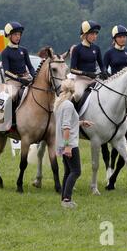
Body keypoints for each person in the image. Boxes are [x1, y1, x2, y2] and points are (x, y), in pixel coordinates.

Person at [54, 79, 93, 209]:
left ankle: (64, 198)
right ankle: (67, 199)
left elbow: (67, 122)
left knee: (68, 171)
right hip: (69, 143)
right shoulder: (69, 105)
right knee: (76, 171)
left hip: (60, 143)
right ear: (73, 91)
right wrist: (67, 146)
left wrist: (81, 123)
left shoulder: (60, 103)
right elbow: (66, 127)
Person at [0, 21, 35, 127]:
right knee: (12, 95)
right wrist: (19, 80)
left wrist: (34, 76)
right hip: (12, 80)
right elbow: (6, 71)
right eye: (15, 34)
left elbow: (30, 67)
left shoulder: (24, 50)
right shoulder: (5, 52)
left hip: (25, 77)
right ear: (9, 35)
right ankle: (9, 121)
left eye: (19, 34)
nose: (18, 37)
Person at [70, 20, 108, 102]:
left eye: (96, 34)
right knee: (77, 95)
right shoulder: (77, 49)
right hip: (81, 80)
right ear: (85, 35)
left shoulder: (96, 48)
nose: (95, 36)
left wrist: (104, 72)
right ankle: (74, 113)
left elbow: (101, 65)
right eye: (92, 34)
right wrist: (86, 73)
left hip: (94, 78)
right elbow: (72, 69)